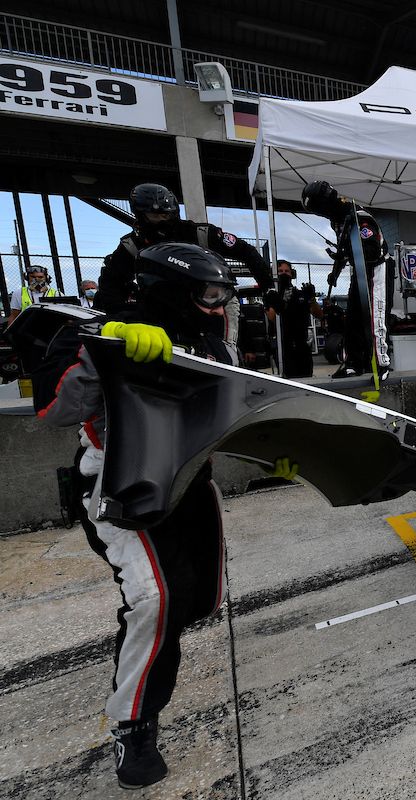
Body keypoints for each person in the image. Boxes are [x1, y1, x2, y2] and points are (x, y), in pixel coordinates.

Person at [34, 242, 243, 789]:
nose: (219, 305)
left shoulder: (216, 345)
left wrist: (280, 450)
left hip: (191, 483)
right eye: (210, 294)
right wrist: (103, 353)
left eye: (224, 294)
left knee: (197, 599)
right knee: (155, 602)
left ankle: (149, 650)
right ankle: (133, 726)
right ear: (172, 290)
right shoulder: (106, 332)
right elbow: (54, 410)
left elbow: (236, 410)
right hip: (120, 489)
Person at [94, 184, 274, 343]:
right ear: (140, 215)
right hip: (163, 310)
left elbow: (247, 252)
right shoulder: (131, 246)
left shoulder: (200, 233)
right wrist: (121, 315)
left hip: (212, 303)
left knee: (225, 352)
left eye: (165, 215)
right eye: (154, 216)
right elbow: (111, 283)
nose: (162, 221)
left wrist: (269, 288)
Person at [301, 180, 391, 380]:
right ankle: (354, 363)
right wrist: (336, 270)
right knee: (352, 319)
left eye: (318, 210)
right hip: (357, 272)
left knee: (374, 316)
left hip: (376, 270)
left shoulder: (359, 217)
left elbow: (371, 250)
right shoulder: (337, 220)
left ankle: (381, 363)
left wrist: (347, 254)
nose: (320, 215)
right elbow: (345, 250)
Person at [264, 260, 322, 378]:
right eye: (280, 271)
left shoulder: (300, 293)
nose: (284, 274)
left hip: (301, 343)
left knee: (306, 376)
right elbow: (272, 317)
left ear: (292, 274)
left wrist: (311, 298)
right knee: (288, 377)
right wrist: (281, 300)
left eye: (287, 271)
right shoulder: (271, 295)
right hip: (283, 345)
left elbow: (319, 314)